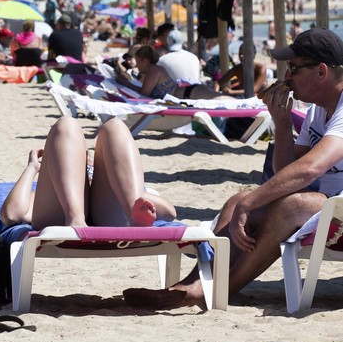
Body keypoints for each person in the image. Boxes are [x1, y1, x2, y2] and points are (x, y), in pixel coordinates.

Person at [124, 28, 343, 309]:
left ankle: (216, 291)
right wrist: (282, 123)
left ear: (322, 72)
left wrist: (253, 201)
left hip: (336, 209)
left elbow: (310, 169)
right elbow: (287, 171)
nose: (287, 76)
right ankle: (191, 284)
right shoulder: (316, 110)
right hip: (332, 206)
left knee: (292, 206)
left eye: (294, 68)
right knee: (237, 201)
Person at [0, 117, 176, 230]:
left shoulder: (126, 185)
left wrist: (136, 200)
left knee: (114, 126)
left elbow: (169, 212)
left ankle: (131, 212)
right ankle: (75, 218)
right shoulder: (55, 184)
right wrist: (32, 168)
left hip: (115, 210)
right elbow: (11, 214)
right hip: (60, 215)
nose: (88, 159)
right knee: (66, 125)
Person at [116, 45, 231, 101]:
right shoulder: (155, 69)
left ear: (145, 61)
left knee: (226, 102)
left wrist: (125, 83)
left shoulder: (153, 70)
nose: (136, 65)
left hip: (190, 93)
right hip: (190, 91)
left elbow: (144, 93)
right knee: (224, 101)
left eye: (138, 61)